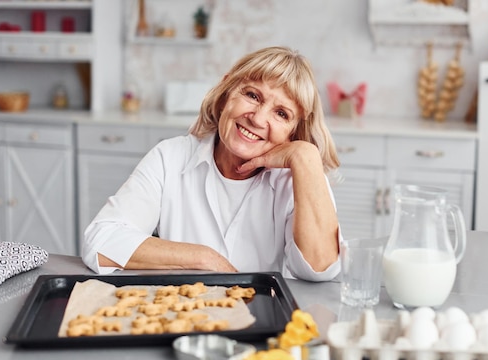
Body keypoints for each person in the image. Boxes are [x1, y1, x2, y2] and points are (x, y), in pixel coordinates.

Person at [82, 46, 341, 281]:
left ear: (293, 133)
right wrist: (203, 258)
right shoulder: (170, 157)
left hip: (266, 324)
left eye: (282, 113)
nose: (259, 119)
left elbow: (320, 269)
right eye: (253, 96)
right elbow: (101, 241)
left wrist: (305, 156)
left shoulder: (301, 176)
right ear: (226, 91)